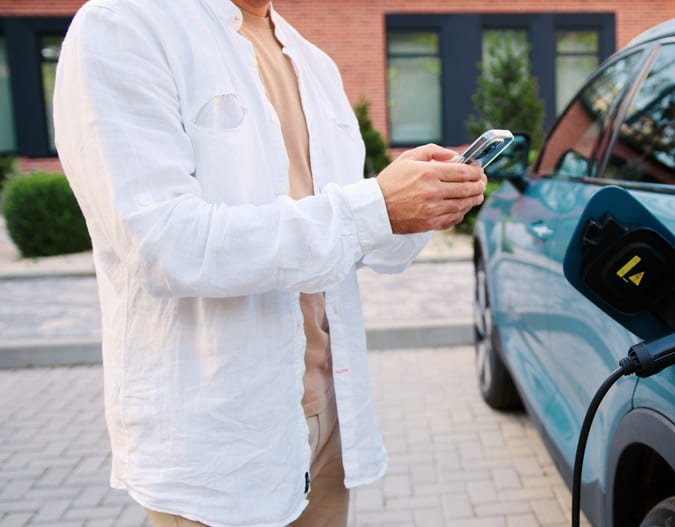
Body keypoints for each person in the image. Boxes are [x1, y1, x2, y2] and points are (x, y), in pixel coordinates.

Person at [52, 0, 486, 525]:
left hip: (329, 415)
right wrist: (374, 207)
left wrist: (419, 209)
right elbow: (163, 247)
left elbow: (347, 236)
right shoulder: (125, 26)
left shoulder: (312, 61)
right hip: (221, 436)